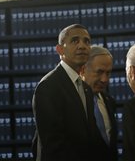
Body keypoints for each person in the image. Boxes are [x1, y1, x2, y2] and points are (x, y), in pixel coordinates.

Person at [32, 23, 112, 161]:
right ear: (59, 50)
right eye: (75, 40)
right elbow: (53, 146)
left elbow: (90, 139)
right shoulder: (48, 87)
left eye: (86, 41)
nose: (82, 45)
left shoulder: (86, 88)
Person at [81, 46, 118, 160]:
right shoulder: (70, 102)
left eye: (108, 73)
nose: (104, 79)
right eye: (99, 72)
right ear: (83, 69)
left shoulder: (110, 101)